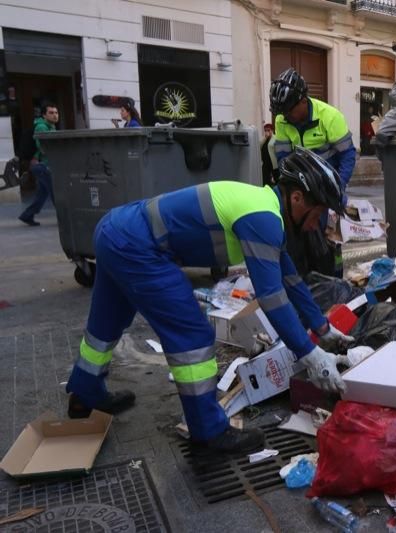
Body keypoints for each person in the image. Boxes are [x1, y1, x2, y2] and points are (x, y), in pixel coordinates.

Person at [64, 147, 354, 453]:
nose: (317, 224)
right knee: (192, 335)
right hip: (138, 247)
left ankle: (85, 394)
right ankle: (209, 432)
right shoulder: (263, 218)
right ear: (297, 198)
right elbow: (272, 298)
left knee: (106, 323)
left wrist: (323, 329)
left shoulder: (265, 210)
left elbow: (290, 280)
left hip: (114, 231)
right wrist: (311, 356)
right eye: (319, 213)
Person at [270, 68, 356, 277]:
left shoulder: (330, 117)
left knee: (327, 244)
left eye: (289, 110)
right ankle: (301, 282)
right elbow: (283, 158)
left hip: (327, 189)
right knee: (295, 240)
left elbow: (348, 156)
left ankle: (331, 283)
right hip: (302, 189)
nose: (286, 117)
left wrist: (337, 189)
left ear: (303, 101)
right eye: (282, 113)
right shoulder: (282, 120)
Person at [18, 102, 58, 227]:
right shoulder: (42, 127)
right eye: (51, 113)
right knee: (55, 191)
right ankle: (65, 217)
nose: (55, 115)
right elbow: (43, 148)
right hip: (42, 165)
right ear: (44, 115)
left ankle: (27, 215)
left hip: (42, 164)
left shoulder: (50, 126)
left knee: (43, 193)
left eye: (56, 112)